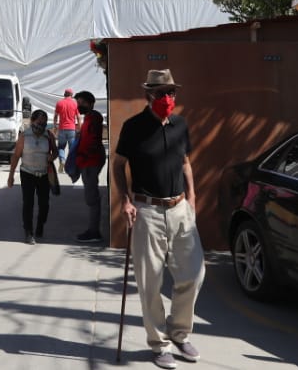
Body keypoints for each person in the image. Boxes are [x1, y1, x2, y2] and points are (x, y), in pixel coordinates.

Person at [112, 70, 205, 369]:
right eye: (162, 93)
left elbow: (186, 163)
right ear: (148, 95)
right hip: (147, 211)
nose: (168, 98)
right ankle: (159, 343)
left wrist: (191, 198)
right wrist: (125, 200)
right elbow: (118, 165)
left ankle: (179, 333)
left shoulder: (180, 125)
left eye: (171, 92)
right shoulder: (133, 127)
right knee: (150, 282)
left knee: (194, 274)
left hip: (180, 209)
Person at [7, 109, 58, 244]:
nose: (41, 125)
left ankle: (40, 224)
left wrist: (52, 156)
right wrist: (11, 176)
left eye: (44, 123)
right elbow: (16, 156)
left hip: (44, 174)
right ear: (32, 121)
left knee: (44, 204)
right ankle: (28, 232)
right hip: (27, 173)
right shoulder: (24, 136)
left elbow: (55, 151)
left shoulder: (49, 135)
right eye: (39, 122)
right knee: (28, 204)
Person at [73, 90, 107, 243]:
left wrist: (84, 155)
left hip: (90, 162)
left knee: (92, 198)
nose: (79, 106)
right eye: (78, 103)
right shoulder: (88, 117)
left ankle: (94, 232)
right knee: (91, 197)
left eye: (82, 103)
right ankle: (93, 229)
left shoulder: (94, 118)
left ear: (91, 103)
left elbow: (93, 141)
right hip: (87, 161)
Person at [53, 88, 79, 171]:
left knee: (61, 147)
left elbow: (55, 116)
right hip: (71, 129)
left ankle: (62, 160)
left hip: (62, 129)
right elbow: (78, 117)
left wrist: (55, 126)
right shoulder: (74, 103)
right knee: (72, 149)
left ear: (64, 94)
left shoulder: (59, 103)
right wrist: (79, 128)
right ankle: (71, 165)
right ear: (71, 95)